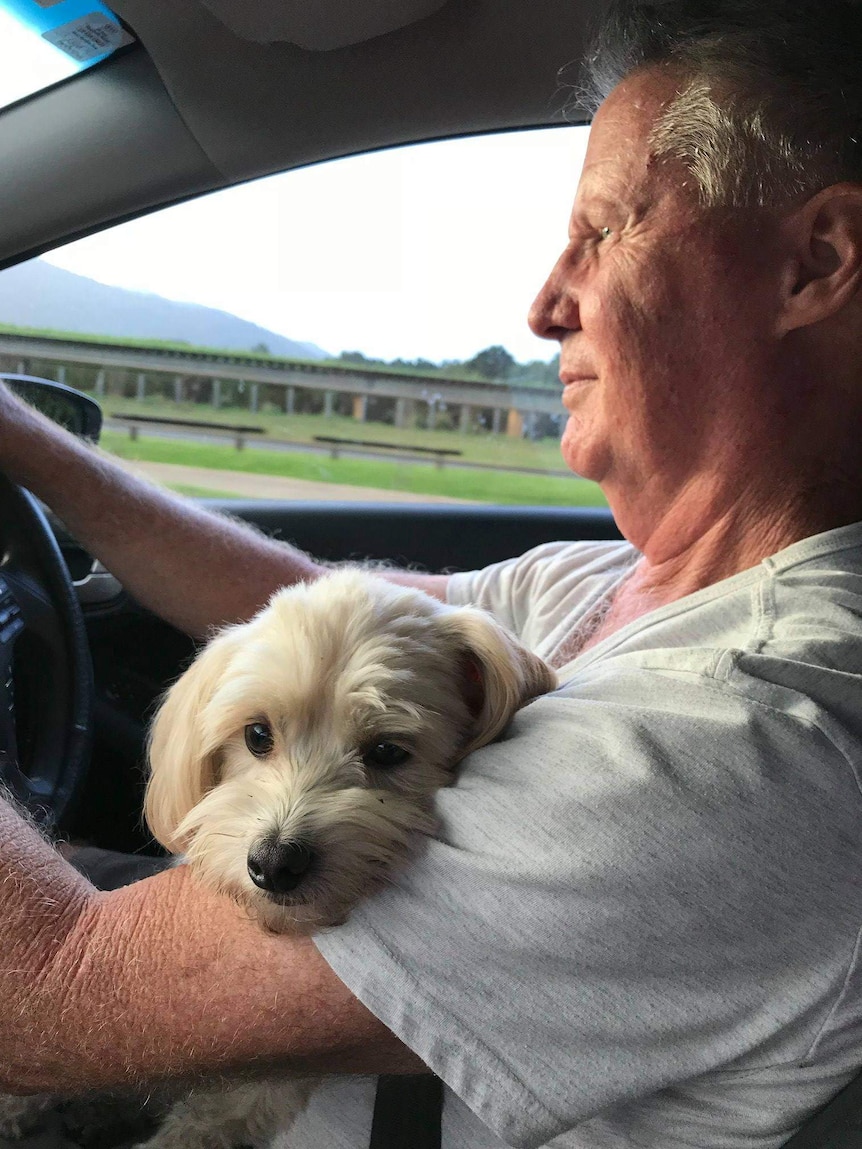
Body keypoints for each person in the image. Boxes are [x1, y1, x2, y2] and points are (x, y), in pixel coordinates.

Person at [4, 0, 862, 1145]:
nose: (544, 302)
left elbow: (46, 997)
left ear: (816, 261)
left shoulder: (748, 730)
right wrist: (25, 440)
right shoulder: (607, 584)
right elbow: (297, 605)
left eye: (601, 231)